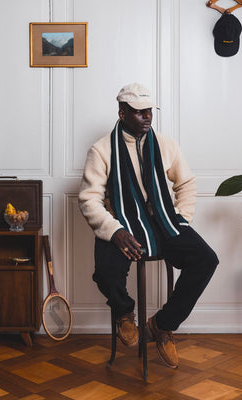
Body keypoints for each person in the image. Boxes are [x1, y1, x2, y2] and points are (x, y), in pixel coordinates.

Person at [78, 83, 218, 368]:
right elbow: (89, 199)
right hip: (121, 222)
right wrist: (115, 231)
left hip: (163, 220)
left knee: (206, 260)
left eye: (149, 112)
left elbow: (186, 183)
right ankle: (124, 313)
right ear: (122, 113)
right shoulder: (101, 150)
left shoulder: (166, 145)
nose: (146, 117)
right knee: (105, 271)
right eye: (139, 112)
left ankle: (163, 326)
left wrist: (182, 219)